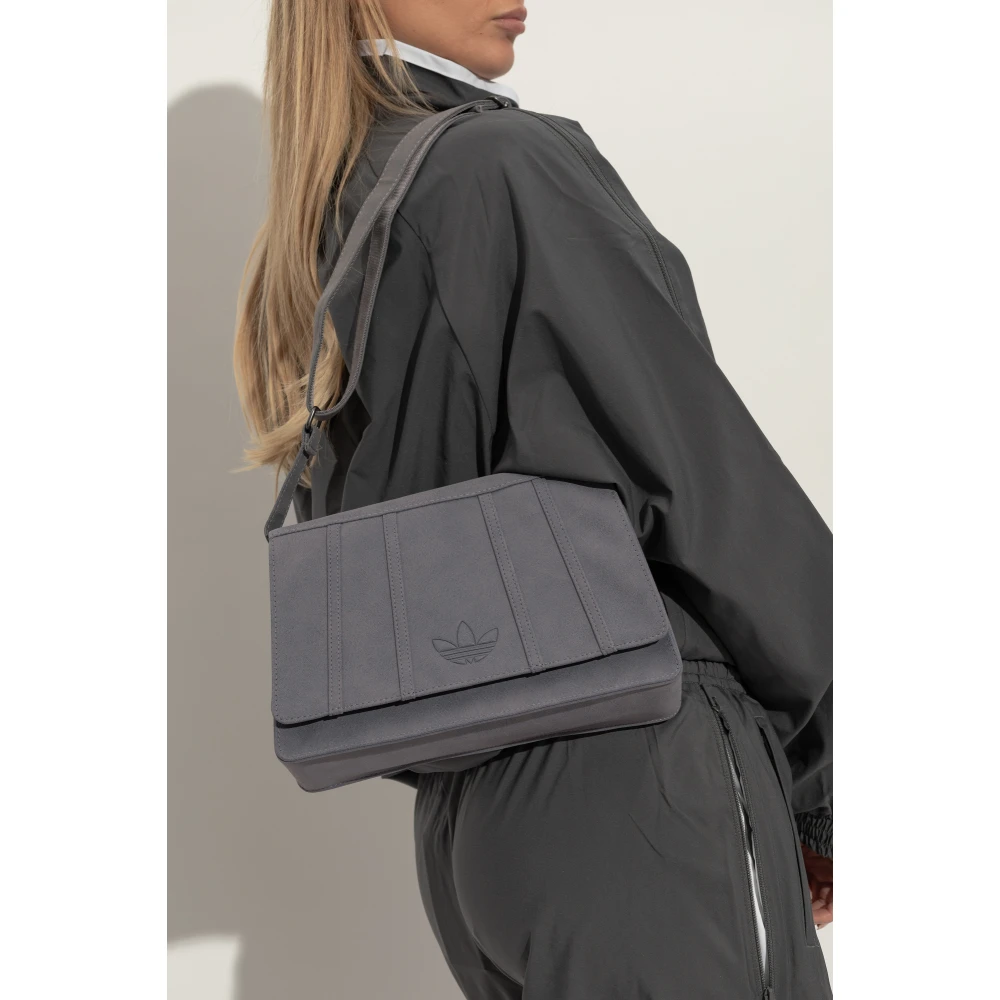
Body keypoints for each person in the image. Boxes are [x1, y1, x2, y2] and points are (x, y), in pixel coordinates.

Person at [234, 2, 833, 997]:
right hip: (640, 777)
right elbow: (701, 476)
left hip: (475, 828)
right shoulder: (502, 165)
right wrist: (827, 781)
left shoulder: (339, 205)